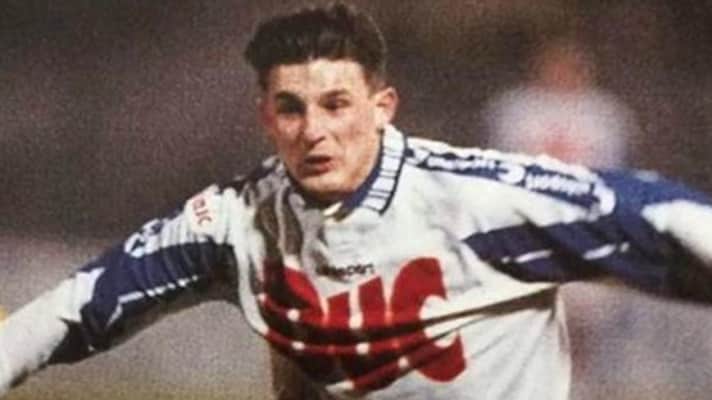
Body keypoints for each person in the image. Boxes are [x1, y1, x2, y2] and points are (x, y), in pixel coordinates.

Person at [2, 3, 712, 400]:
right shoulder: (235, 223)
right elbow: (79, 305)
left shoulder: (475, 199)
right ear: (265, 117)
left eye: (336, 104)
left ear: (382, 107)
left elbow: (653, 212)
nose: (314, 130)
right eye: (291, 107)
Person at [483, 38, 639, 169]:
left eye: (570, 66)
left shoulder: (607, 109)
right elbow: (505, 153)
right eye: (554, 64)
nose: (561, 72)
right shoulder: (514, 106)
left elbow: (612, 158)